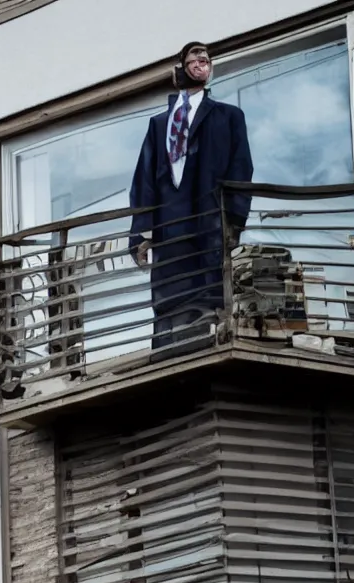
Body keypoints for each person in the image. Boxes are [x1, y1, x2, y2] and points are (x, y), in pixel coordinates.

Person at [129, 42, 253, 355]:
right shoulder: (160, 125)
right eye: (194, 57)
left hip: (210, 223)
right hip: (170, 230)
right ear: (181, 67)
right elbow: (144, 180)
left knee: (209, 300)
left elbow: (241, 170)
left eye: (206, 57)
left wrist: (234, 220)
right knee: (171, 307)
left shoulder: (228, 117)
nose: (201, 60)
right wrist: (141, 234)